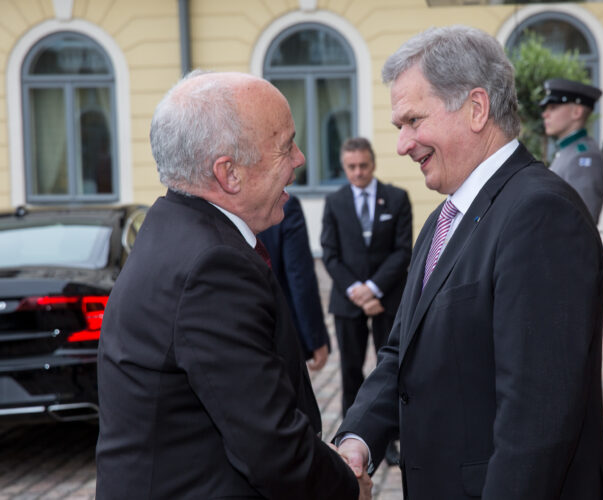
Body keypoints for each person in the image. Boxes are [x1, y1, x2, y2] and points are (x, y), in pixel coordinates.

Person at [335, 26, 603, 499]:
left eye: (413, 121)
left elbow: (536, 423)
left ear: (476, 109)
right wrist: (358, 440)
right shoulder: (445, 216)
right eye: (398, 127)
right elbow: (400, 351)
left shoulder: (542, 214)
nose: (403, 145)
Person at [96, 70, 369, 499]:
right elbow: (271, 447)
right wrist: (347, 486)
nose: (299, 159)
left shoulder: (173, 226)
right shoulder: (212, 266)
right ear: (230, 174)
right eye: (285, 146)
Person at [321, 137, 412, 465]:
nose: (358, 172)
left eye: (363, 165)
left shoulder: (397, 198)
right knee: (350, 370)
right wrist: (358, 293)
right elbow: (329, 254)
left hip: (388, 298)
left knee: (389, 369)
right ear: (344, 167)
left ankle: (388, 439)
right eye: (351, 167)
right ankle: (352, 437)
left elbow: (403, 250)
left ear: (372, 164)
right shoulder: (334, 202)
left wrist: (373, 289)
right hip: (348, 301)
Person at [258, 194, 330, 371]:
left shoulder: (217, 204)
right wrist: (315, 339)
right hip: (279, 331)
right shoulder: (284, 204)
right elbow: (300, 278)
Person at [540, 78, 603, 224]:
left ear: (577, 112)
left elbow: (581, 222)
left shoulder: (584, 157)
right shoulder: (567, 152)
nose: (545, 114)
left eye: (553, 107)